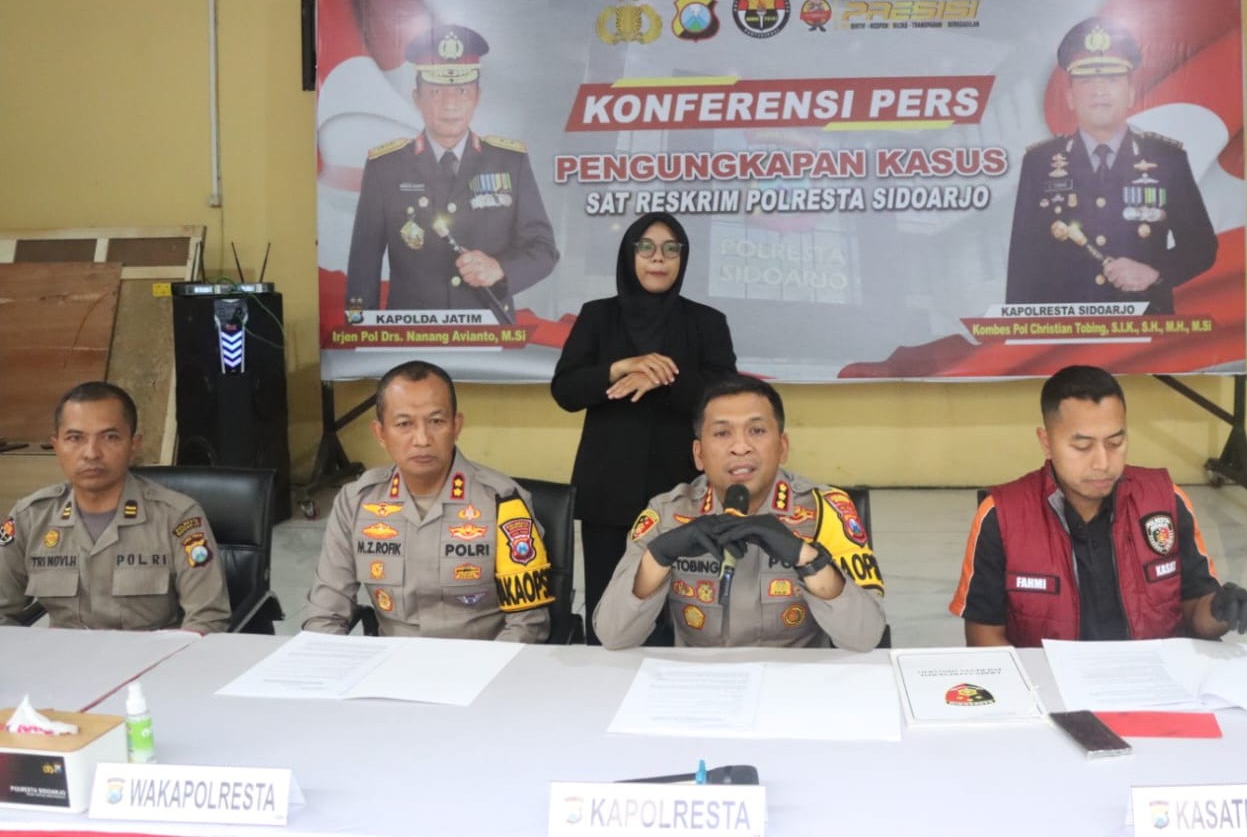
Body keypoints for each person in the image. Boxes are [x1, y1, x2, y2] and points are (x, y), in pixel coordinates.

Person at [950, 365, 1247, 645]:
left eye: (1115, 443)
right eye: (1082, 446)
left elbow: (1194, 614)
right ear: (1046, 443)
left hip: (1153, 683)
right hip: (1048, 687)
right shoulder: (1002, 516)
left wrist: (1221, 610)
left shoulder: (1165, 501)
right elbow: (983, 635)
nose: (1102, 463)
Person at [592, 375, 886, 651]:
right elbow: (613, 635)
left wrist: (806, 558)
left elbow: (865, 636)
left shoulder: (824, 511)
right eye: (722, 433)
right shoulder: (668, 513)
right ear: (698, 454)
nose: (741, 447)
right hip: (699, 680)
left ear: (782, 447)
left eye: (756, 431)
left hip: (792, 680)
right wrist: (658, 556)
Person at [552, 212, 738, 641]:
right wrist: (620, 368)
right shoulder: (598, 316)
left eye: (671, 249)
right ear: (629, 255)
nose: (659, 258)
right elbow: (566, 391)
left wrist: (663, 377)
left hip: (684, 491)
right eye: (647, 248)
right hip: (608, 491)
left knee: (686, 609)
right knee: (610, 610)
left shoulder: (706, 322)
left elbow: (724, 398)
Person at [303, 361, 553, 641]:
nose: (422, 439)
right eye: (404, 424)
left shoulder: (502, 502)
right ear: (380, 433)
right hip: (392, 661)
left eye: (436, 421)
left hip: (482, 658)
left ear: (456, 426)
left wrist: (484, 668)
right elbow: (325, 614)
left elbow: (527, 623)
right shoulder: (356, 502)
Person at [1005, 17, 1217, 314]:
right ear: (1070, 97)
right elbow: (1023, 264)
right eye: (1087, 81)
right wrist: (1019, 333)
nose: (1099, 90)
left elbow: (1201, 246)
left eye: (1112, 79)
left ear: (1131, 93)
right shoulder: (1039, 164)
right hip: (1065, 328)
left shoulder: (1167, 159)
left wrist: (1154, 272)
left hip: (1143, 324)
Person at [345, 24, 558, 318]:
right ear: (416, 97)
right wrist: (359, 332)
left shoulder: (509, 162)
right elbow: (363, 263)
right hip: (413, 332)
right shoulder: (386, 167)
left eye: (461, 90)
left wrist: (500, 269)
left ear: (477, 96)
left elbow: (544, 250)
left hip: (489, 329)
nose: (450, 104)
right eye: (436, 91)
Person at [0, 382, 230, 632]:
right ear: (56, 446)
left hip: (152, 654)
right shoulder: (29, 518)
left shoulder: (177, 517)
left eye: (110, 437)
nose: (91, 453)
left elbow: (208, 618)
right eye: (75, 438)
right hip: (62, 655)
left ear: (133, 444)